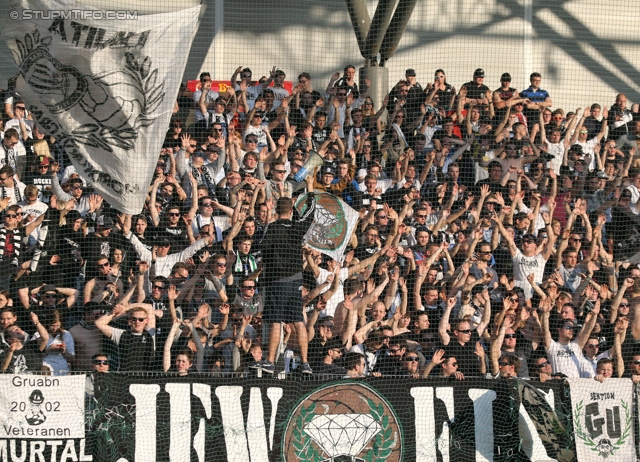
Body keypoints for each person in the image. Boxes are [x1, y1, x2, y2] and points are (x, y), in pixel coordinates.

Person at [251, 175, 316, 374]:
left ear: (276, 211)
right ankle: (305, 363)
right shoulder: (297, 229)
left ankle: (270, 361)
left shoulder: (272, 228)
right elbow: (310, 213)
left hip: (276, 281)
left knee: (276, 320)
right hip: (296, 280)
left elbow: (261, 249)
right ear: (291, 210)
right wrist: (310, 187)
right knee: (297, 320)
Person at [95, 303, 156, 371]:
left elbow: (149, 307)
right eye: (134, 319)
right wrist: (114, 312)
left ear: (146, 320)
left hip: (146, 378)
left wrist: (125, 308)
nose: (137, 322)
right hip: (124, 378)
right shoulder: (122, 334)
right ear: (130, 320)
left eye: (141, 319)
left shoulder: (150, 333)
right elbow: (99, 323)